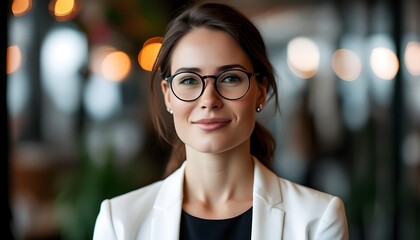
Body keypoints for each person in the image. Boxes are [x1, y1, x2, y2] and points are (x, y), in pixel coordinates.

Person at [93, 2, 349, 239]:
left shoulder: (318, 219)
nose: (209, 99)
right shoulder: (119, 222)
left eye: (229, 78)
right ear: (168, 96)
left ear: (260, 91)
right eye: (189, 80)